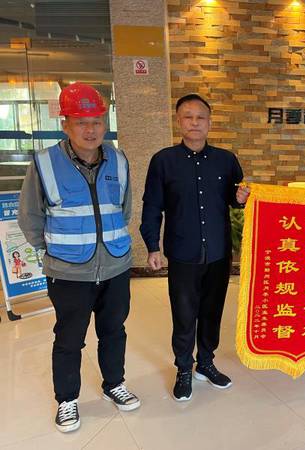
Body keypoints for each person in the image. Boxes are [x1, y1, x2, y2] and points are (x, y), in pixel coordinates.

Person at [18, 82, 140, 433]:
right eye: (81, 122)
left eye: (97, 121)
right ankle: (67, 399)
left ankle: (114, 384)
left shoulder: (118, 159)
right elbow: (30, 217)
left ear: (105, 123)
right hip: (68, 271)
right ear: (66, 125)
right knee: (69, 337)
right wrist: (56, 250)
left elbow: (124, 209)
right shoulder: (45, 163)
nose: (90, 130)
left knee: (114, 331)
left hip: (115, 265)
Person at [140, 94, 250, 401]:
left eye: (200, 117)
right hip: (182, 252)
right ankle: (184, 368)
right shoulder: (163, 161)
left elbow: (235, 200)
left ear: (209, 122)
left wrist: (241, 198)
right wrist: (152, 246)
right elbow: (152, 206)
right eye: (188, 117)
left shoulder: (226, 160)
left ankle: (206, 363)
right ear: (179, 121)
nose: (194, 122)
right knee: (184, 313)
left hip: (218, 251)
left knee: (212, 311)